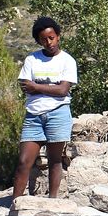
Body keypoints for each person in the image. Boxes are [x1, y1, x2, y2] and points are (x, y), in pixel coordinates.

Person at [12, 17, 78, 200]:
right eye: (44, 39)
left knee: (55, 160)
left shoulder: (67, 61)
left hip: (58, 112)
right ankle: (15, 204)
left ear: (58, 36)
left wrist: (37, 87)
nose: (49, 43)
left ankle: (53, 200)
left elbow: (63, 90)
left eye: (51, 37)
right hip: (34, 115)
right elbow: (25, 85)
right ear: (38, 40)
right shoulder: (32, 60)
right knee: (24, 161)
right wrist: (51, 88)